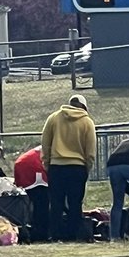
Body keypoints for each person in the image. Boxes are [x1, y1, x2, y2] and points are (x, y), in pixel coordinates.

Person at [41, 93, 96, 241]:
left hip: (57, 167)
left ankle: (55, 235)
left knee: (56, 203)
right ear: (84, 107)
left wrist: (46, 163)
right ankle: (73, 235)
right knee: (75, 203)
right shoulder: (87, 122)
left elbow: (45, 142)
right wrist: (87, 168)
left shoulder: (53, 118)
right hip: (77, 168)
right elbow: (90, 150)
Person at [14, 145, 50, 242]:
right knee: (41, 204)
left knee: (37, 203)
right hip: (33, 169)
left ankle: (36, 231)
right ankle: (41, 234)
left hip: (24, 165)